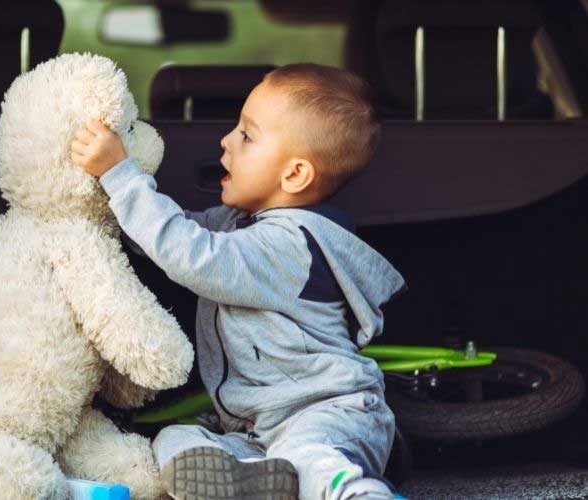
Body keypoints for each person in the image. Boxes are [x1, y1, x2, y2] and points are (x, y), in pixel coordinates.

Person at [71, 63, 407, 500]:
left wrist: (120, 176)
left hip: (325, 413)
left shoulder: (288, 246)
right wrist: (105, 208)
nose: (226, 142)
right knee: (176, 439)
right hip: (257, 427)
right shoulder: (239, 224)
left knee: (309, 458)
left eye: (247, 136)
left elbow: (189, 254)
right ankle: (247, 485)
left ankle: (361, 495)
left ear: (294, 175)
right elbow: (172, 231)